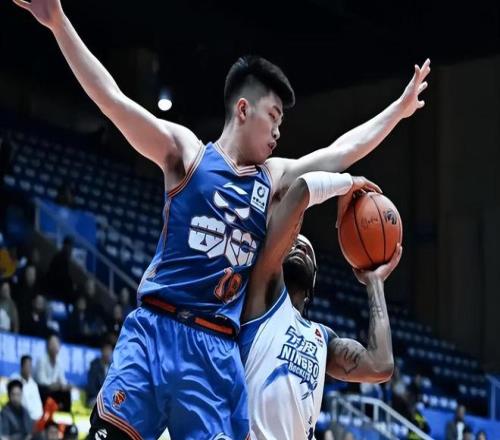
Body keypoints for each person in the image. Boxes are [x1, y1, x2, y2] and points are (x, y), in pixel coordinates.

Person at [13, 0, 429, 437]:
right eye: (274, 117)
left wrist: (397, 111)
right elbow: (112, 101)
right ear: (243, 110)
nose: (279, 131)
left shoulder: (272, 178)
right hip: (154, 329)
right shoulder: (187, 154)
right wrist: (59, 23)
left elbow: (341, 151)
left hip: (214, 349)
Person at [239, 171, 400, 439]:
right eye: (294, 244)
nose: (301, 248)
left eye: (308, 250)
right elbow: (300, 191)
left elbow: (380, 365)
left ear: (314, 281)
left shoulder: (323, 339)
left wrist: (375, 283)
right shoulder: (262, 300)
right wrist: (345, 184)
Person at [34, 334, 71, 412]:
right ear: (47, 346)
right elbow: (41, 380)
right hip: (43, 390)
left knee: (66, 392)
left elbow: (62, 379)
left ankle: (64, 412)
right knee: (43, 390)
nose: (54, 346)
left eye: (56, 344)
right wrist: (53, 385)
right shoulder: (41, 360)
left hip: (54, 389)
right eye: (52, 344)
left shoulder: (59, 362)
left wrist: (65, 386)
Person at [11, 355, 44, 423]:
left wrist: (39, 418)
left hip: (35, 419)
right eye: (27, 365)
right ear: (22, 366)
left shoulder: (33, 384)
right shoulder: (15, 380)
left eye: (30, 366)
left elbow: (38, 404)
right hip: (20, 418)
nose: (29, 368)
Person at [87, 341, 113, 408]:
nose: (108, 353)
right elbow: (91, 387)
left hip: (108, 399)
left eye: (109, 351)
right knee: (103, 406)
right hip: (94, 398)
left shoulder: (112, 367)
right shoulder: (94, 365)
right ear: (102, 352)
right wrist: (101, 398)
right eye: (106, 351)